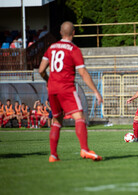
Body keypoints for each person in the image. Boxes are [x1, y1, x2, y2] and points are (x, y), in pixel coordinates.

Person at [39, 21, 103, 162]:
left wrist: (49, 81)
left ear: (61, 33)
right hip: (66, 88)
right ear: (73, 33)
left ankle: (53, 155)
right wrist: (96, 91)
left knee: (57, 120)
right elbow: (83, 72)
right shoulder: (73, 49)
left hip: (53, 89)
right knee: (79, 117)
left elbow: (41, 70)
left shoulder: (51, 48)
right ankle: (85, 150)